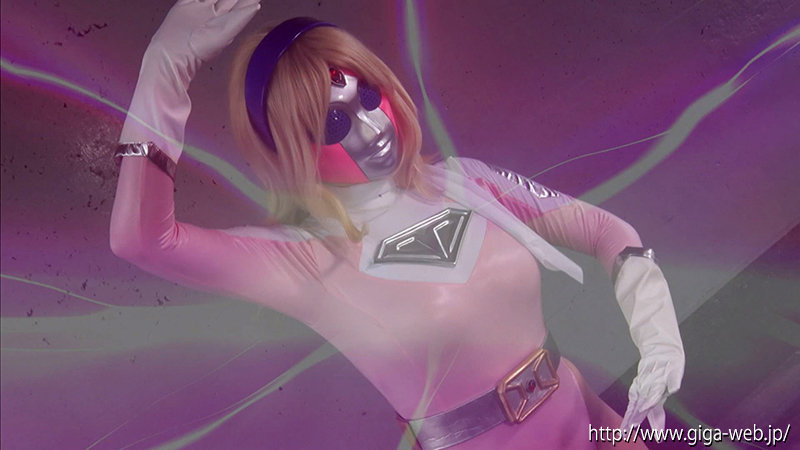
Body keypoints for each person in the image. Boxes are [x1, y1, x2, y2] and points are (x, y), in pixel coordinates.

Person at [110, 1, 685, 448]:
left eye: (367, 95)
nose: (370, 128)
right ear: (291, 149)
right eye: (333, 123)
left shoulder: (465, 180)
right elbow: (144, 240)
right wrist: (165, 70)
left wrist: (657, 336)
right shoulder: (304, 260)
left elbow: (607, 232)